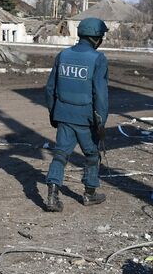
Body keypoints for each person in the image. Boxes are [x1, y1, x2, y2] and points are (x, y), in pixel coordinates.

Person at [44, 17, 109, 212]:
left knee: (60, 154)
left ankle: (52, 196)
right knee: (91, 154)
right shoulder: (98, 59)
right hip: (86, 118)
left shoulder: (63, 55)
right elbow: (101, 94)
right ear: (96, 37)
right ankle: (89, 194)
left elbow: (49, 89)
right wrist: (101, 122)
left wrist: (54, 114)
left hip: (64, 114)